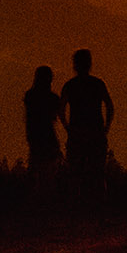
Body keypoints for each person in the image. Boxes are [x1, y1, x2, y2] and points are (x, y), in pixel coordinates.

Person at [61, 48, 115, 196]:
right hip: (95, 132)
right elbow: (110, 106)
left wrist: (68, 128)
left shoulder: (70, 85)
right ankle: (98, 208)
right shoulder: (98, 84)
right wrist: (106, 128)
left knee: (75, 173)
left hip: (77, 133)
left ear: (75, 65)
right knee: (97, 173)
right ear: (90, 64)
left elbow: (61, 109)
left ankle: (76, 207)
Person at [25, 65, 63, 197]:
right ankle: (47, 200)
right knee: (49, 174)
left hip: (36, 137)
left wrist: (29, 137)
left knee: (38, 173)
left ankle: (39, 201)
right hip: (48, 138)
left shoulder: (30, 96)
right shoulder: (53, 98)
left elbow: (29, 120)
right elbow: (56, 118)